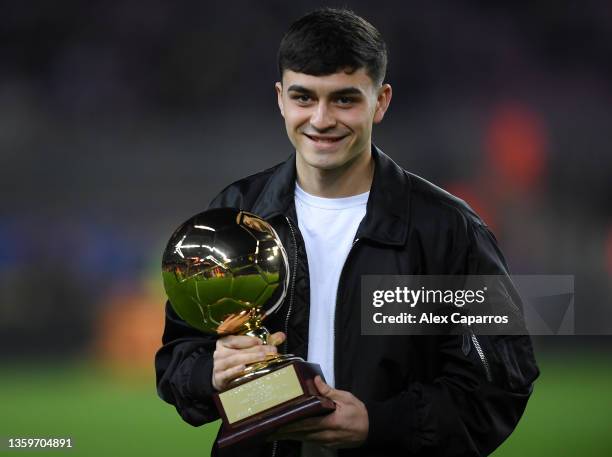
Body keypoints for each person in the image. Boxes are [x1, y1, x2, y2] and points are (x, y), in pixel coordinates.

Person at [155, 8, 539, 457]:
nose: (321, 119)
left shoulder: (447, 231)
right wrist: (211, 375)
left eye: (344, 99)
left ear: (381, 101)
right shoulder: (235, 211)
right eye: (304, 98)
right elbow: (178, 357)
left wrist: (380, 424)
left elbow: (498, 387)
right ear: (280, 99)